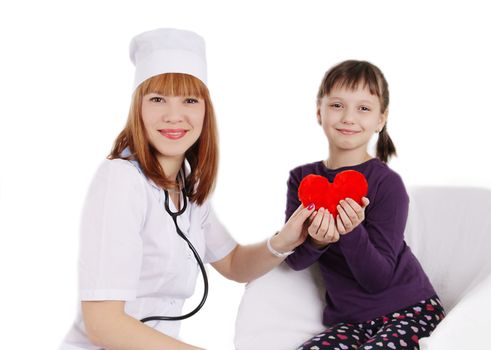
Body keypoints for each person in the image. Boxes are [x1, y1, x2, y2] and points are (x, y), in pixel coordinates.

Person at [59, 28, 315, 350]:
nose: (174, 115)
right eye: (157, 99)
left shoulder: (189, 192)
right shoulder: (120, 181)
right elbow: (103, 325)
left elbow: (234, 263)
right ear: (138, 108)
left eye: (190, 100)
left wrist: (285, 240)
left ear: (205, 110)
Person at [285, 60, 445, 350]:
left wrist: (351, 230)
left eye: (363, 108)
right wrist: (317, 243)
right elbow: (295, 259)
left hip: (409, 309)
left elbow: (377, 280)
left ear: (380, 120)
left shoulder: (387, 183)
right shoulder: (303, 179)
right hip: (348, 322)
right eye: (336, 105)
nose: (348, 117)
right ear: (318, 111)